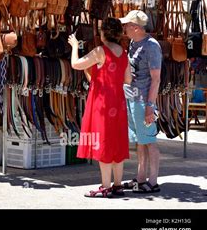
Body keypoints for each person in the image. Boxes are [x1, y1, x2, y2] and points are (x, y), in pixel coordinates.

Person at [68, 18, 132, 198]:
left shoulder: (100, 51)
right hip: (118, 101)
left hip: (102, 102)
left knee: (103, 140)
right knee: (117, 140)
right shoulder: (123, 52)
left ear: (104, 33)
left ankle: (105, 186)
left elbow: (76, 64)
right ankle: (117, 185)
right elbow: (128, 79)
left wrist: (74, 46)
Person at [119, 10, 162, 193]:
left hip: (143, 100)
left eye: (127, 25)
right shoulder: (133, 43)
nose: (124, 28)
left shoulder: (151, 46)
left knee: (149, 141)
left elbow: (156, 79)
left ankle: (152, 182)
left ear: (135, 27)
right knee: (140, 140)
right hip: (133, 98)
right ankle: (141, 177)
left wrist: (150, 107)